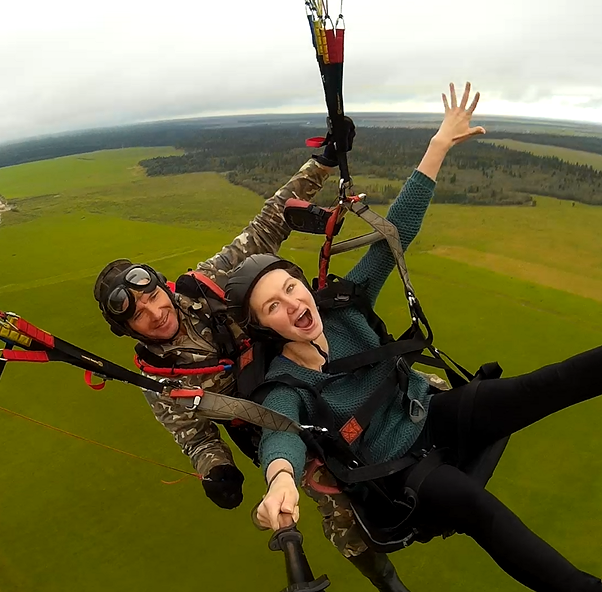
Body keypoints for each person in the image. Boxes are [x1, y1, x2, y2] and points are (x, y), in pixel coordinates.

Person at [224, 82, 602, 592]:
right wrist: (280, 479)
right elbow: (280, 434)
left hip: (430, 413)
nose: (292, 305)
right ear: (265, 326)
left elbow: (398, 230)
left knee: (545, 386)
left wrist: (438, 145)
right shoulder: (285, 383)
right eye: (274, 307)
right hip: (399, 474)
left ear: (303, 283)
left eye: (291, 288)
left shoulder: (343, 306)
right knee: (475, 506)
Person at [92, 128, 417, 592]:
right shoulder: (159, 383)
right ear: (127, 330)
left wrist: (322, 165)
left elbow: (270, 223)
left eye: (151, 298)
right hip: (279, 422)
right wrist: (215, 470)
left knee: (417, 393)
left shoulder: (205, 283)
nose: (153, 313)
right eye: (137, 316)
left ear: (162, 285)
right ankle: (389, 583)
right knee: (346, 522)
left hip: (315, 364)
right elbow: (196, 437)